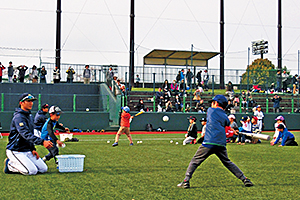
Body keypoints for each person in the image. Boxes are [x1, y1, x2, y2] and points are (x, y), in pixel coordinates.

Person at [177, 95, 253, 188]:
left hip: (209, 142)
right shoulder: (225, 116)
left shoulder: (210, 110)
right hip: (221, 143)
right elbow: (227, 125)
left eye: (213, 102)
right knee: (227, 162)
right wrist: (234, 131)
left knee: (195, 161)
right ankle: (244, 179)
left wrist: (232, 130)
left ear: (216, 103)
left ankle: (186, 181)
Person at [4, 93, 53, 175]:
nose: (31, 103)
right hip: (16, 150)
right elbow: (25, 134)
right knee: (31, 171)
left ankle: (24, 163)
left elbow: (31, 133)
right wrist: (42, 142)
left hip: (27, 150)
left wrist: (32, 148)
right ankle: (10, 164)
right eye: (28, 101)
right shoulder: (18, 117)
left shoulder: (29, 116)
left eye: (32, 101)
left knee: (43, 169)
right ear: (21, 103)